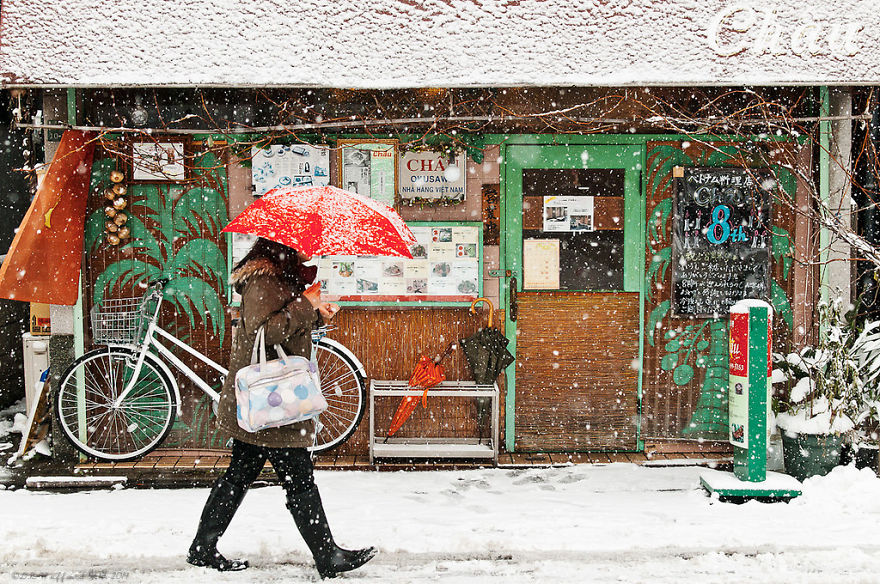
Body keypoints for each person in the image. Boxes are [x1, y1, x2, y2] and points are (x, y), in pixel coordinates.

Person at [187, 237, 376, 578]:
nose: (311, 248)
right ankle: (327, 556)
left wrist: (316, 313)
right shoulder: (264, 280)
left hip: (270, 402)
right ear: (284, 244)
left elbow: (285, 325)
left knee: (242, 474)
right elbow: (264, 331)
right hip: (272, 400)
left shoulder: (282, 276)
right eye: (305, 242)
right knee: (298, 478)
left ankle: (203, 547)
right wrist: (305, 304)